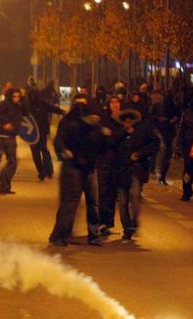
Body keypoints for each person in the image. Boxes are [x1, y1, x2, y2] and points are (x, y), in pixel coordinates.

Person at [48, 94, 109, 247]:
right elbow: (60, 142)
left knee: (93, 203)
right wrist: (65, 152)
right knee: (70, 203)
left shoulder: (96, 128)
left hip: (89, 169)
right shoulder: (71, 124)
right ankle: (59, 235)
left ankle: (94, 235)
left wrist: (106, 137)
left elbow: (102, 148)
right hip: (73, 168)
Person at [113, 109, 159, 240]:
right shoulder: (118, 129)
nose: (128, 121)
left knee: (135, 195)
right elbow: (110, 143)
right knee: (122, 201)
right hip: (120, 169)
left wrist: (140, 153)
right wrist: (123, 132)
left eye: (130, 118)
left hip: (136, 169)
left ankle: (133, 222)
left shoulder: (144, 128)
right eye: (125, 119)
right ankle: (127, 228)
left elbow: (155, 143)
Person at [96, 95, 124, 236]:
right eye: (112, 102)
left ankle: (109, 223)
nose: (114, 104)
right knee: (103, 191)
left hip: (118, 161)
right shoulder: (104, 119)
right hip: (104, 159)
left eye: (116, 102)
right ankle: (101, 222)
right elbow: (105, 138)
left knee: (113, 193)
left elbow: (120, 137)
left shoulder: (124, 120)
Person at [27, 89, 66, 181]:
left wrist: (63, 112)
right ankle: (41, 172)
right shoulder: (27, 106)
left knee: (43, 151)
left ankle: (48, 171)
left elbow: (53, 108)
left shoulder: (42, 104)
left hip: (42, 132)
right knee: (36, 154)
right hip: (32, 134)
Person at [0, 88, 24, 194]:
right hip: (5, 136)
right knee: (12, 162)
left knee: (12, 162)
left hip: (11, 136)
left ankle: (0, 182)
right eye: (15, 96)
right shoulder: (4, 105)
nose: (17, 98)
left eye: (18, 96)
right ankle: (1, 184)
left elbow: (27, 111)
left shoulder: (18, 106)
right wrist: (5, 123)